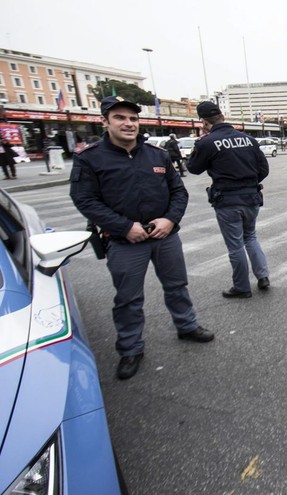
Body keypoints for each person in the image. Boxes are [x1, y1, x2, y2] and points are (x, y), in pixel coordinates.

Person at [70, 96, 214, 380]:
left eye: (133, 118)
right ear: (104, 122)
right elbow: (85, 200)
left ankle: (187, 326)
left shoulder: (157, 155)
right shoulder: (89, 158)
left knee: (177, 286)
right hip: (125, 242)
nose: (128, 123)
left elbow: (179, 192)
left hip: (165, 236)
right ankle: (130, 348)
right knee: (128, 299)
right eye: (120, 118)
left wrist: (169, 220)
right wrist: (125, 227)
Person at [186, 101, 271, 298]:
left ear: (204, 122)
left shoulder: (207, 142)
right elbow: (264, 170)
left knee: (235, 245)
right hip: (251, 198)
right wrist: (248, 184)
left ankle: (242, 287)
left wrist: (200, 142)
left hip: (227, 201)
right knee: (250, 237)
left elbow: (193, 168)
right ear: (222, 116)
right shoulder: (249, 139)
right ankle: (263, 276)